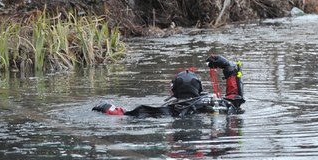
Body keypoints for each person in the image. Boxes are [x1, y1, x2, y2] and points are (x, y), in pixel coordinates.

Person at [92, 55, 245, 117]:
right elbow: (236, 99)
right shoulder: (215, 106)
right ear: (199, 90)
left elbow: (123, 114)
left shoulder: (166, 110)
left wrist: (105, 106)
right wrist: (228, 67)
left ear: (174, 91)